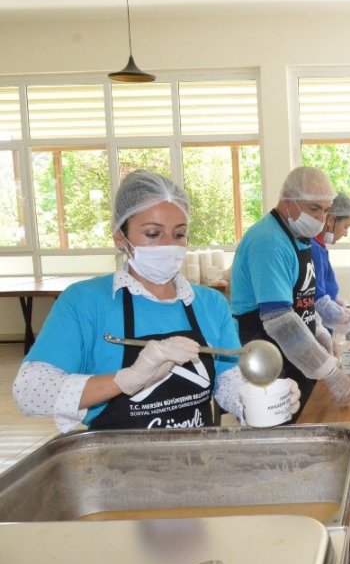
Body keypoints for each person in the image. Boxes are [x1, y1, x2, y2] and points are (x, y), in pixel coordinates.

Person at [12, 170, 296, 431]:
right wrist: (125, 380)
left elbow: (228, 379)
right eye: (152, 233)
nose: (168, 245)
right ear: (120, 238)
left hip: (196, 464)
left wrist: (259, 401)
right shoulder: (85, 302)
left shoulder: (210, 304)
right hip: (114, 468)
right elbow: (30, 391)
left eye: (179, 234)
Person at [230, 166, 350, 418]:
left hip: (295, 356)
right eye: (314, 209)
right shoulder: (269, 241)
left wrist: (318, 332)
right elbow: (280, 321)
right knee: (279, 428)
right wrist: (328, 370)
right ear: (288, 202)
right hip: (269, 358)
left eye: (326, 209)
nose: (321, 218)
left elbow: (303, 299)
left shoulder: (297, 236)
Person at [310, 192, 350, 338]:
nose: (346, 233)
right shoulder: (313, 249)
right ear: (331, 219)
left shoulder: (320, 247)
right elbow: (318, 301)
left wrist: (344, 307)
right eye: (346, 226)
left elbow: (326, 289)